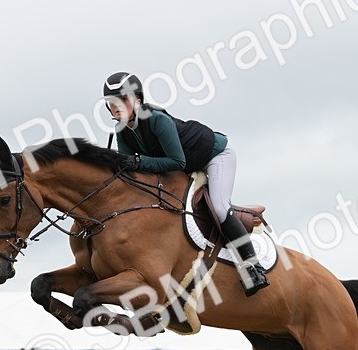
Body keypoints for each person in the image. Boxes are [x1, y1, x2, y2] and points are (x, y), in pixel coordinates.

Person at [102, 71, 269, 295]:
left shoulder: (157, 120)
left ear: (138, 101)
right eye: (111, 103)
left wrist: (138, 161)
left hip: (214, 156)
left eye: (122, 100)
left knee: (219, 207)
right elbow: (132, 170)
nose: (116, 107)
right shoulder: (121, 130)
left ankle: (252, 267)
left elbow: (176, 161)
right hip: (185, 165)